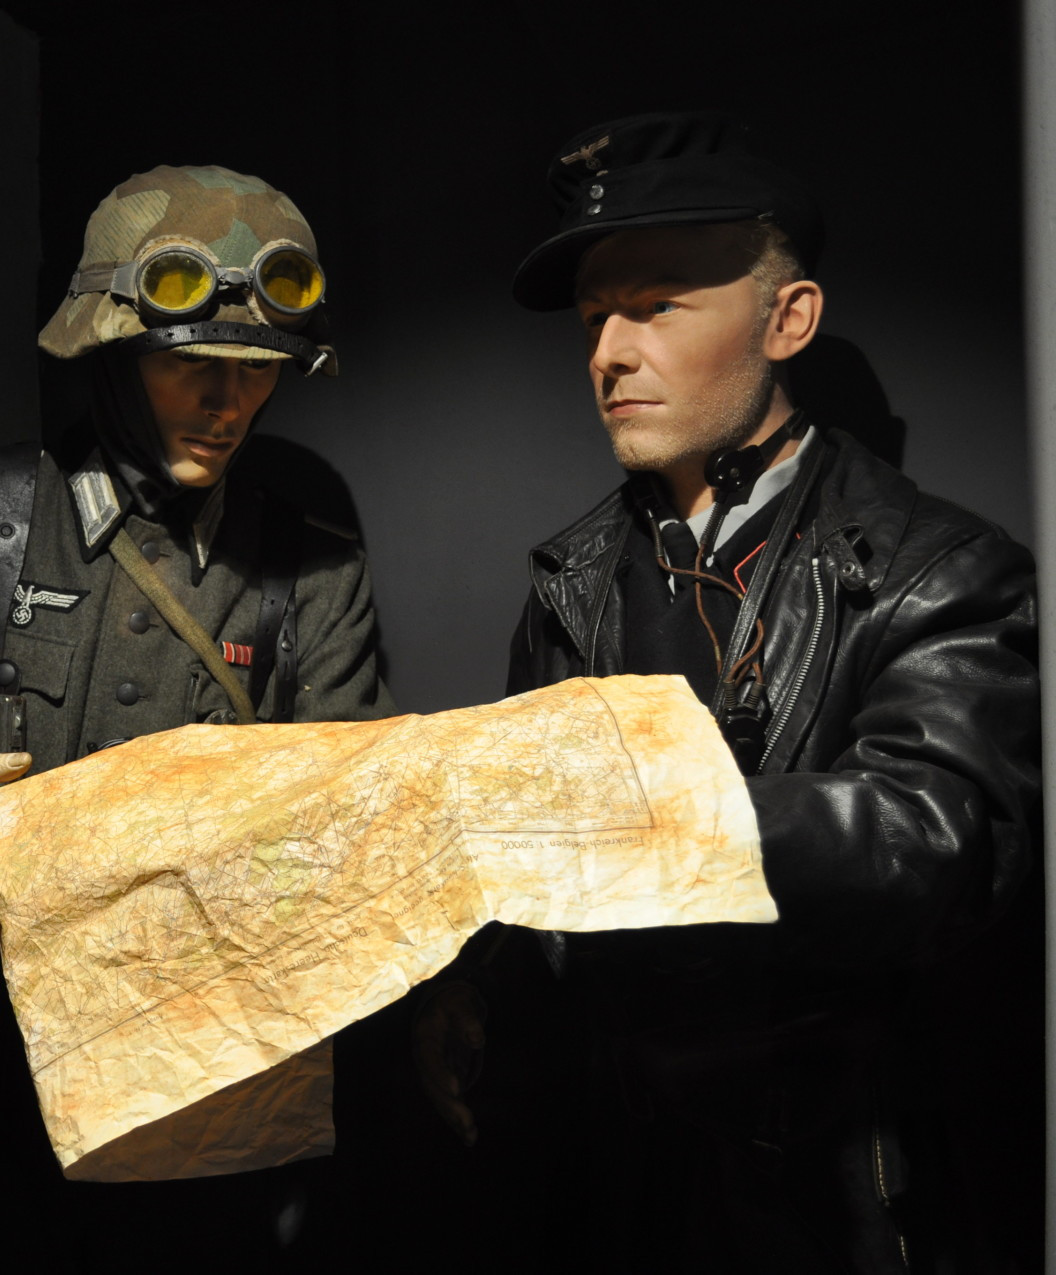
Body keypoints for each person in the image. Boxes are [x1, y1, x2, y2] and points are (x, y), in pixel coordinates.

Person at [416, 111, 1040, 1272]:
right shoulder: (571, 580)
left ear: (787, 319)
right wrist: (473, 987)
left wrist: (655, 807)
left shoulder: (938, 569)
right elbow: (518, 840)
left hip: (829, 1188)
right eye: (596, 317)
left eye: (657, 306)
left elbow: (938, 842)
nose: (609, 353)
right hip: (607, 1176)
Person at [0, 164, 391, 1274]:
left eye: (258, 372)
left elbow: (354, 815)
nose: (230, 404)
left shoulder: (311, 569)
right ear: (110, 352)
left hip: (192, 1094)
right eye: (193, 365)